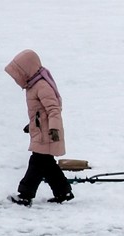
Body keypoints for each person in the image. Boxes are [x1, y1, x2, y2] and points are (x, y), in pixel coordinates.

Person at [4, 48, 73, 206]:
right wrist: (32, 125)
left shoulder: (41, 86)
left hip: (47, 134)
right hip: (41, 132)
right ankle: (63, 191)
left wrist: (54, 129)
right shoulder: (34, 85)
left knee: (36, 163)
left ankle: (25, 195)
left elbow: (54, 109)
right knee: (47, 165)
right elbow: (39, 113)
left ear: (27, 70)